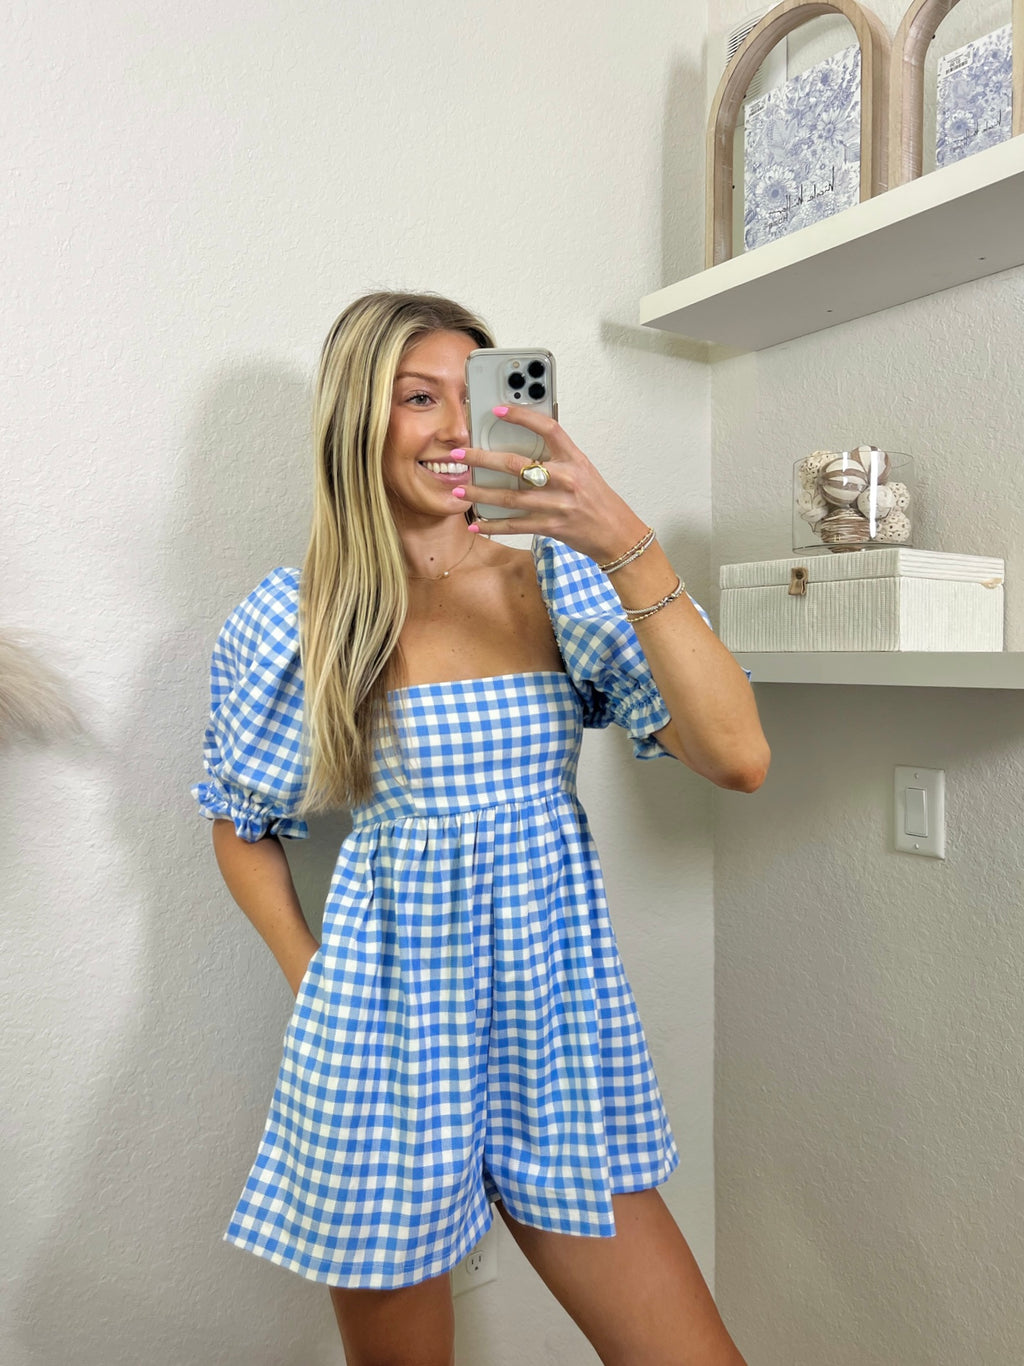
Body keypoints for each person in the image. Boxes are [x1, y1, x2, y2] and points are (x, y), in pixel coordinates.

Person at [192, 291, 769, 1366]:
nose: (456, 428)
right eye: (418, 398)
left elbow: (738, 756)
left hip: (552, 1028)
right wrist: (311, 976)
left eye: (476, 394)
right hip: (382, 1041)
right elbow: (240, 822)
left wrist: (624, 542)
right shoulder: (296, 615)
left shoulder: (562, 578)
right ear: (356, 420)